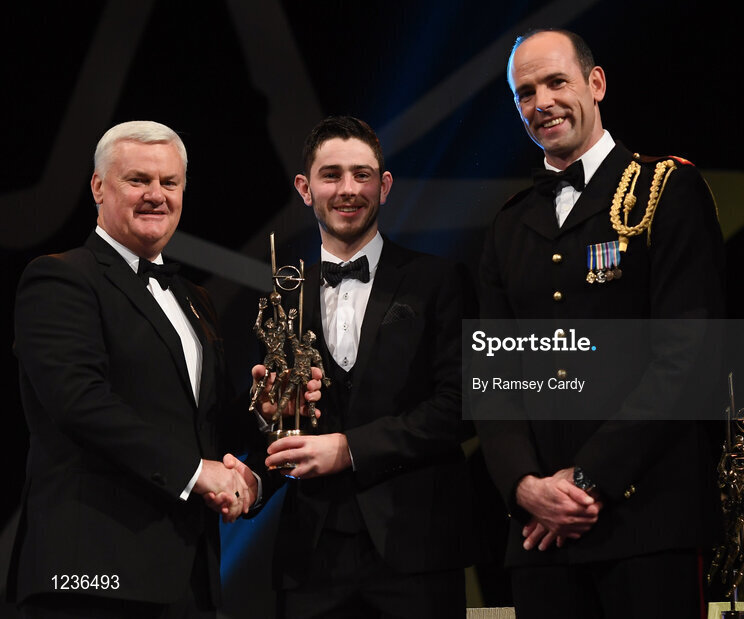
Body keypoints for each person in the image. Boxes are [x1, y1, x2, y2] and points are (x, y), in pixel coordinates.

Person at [8, 121, 319, 618]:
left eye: (169, 183)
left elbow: (202, 424)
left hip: (187, 577)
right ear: (98, 186)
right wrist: (198, 474)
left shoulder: (194, 299)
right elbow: (79, 402)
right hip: (91, 573)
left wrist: (263, 412)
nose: (156, 195)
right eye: (138, 180)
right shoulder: (61, 279)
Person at [475, 29, 725, 618]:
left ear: (596, 83)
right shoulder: (508, 225)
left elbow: (688, 359)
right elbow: (494, 376)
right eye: (525, 92)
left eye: (556, 82)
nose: (542, 103)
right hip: (541, 536)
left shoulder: (667, 188)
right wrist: (525, 489)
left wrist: (589, 480)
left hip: (648, 521)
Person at [262, 116, 474, 619]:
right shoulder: (279, 294)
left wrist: (350, 449)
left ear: (385, 185)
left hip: (416, 549)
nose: (348, 189)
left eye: (362, 174)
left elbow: (460, 405)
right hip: (310, 557)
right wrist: (271, 413)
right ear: (305, 188)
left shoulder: (439, 281)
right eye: (331, 175)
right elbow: (273, 425)